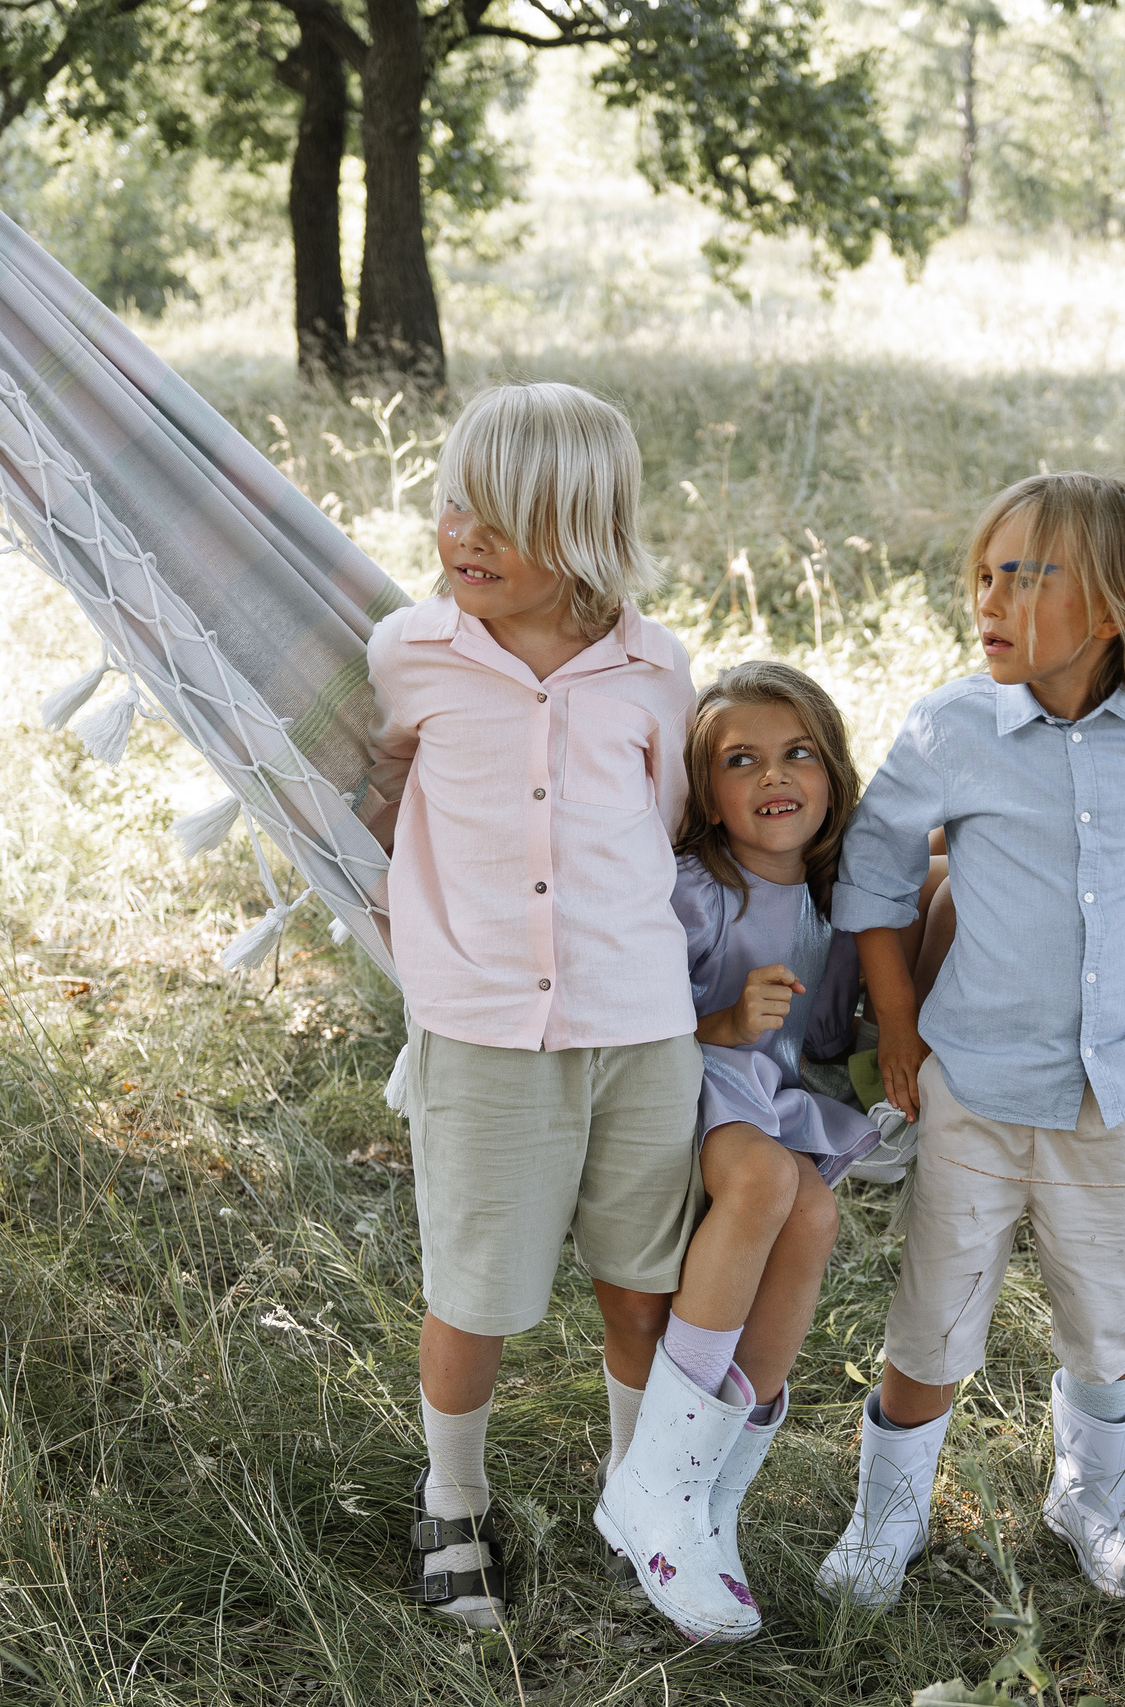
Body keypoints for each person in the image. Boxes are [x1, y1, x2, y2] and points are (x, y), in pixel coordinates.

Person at [817, 471, 1125, 1608]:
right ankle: (886, 1516)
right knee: (934, 1312)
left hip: (1120, 1091)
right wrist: (896, 1030)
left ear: (1113, 607)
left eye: (1025, 577)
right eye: (982, 573)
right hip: (976, 1085)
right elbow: (876, 882)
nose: (988, 596)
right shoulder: (951, 727)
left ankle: (1092, 1496)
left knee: (1106, 1313)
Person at [364, 382, 701, 1631]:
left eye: (498, 521)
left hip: (640, 1026)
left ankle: (634, 1494)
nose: (463, 536)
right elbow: (380, 788)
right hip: (484, 1027)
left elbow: (657, 828)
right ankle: (452, 1502)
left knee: (640, 1283)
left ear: (580, 535)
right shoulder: (413, 654)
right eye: (454, 506)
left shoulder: (652, 666)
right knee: (478, 1286)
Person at [843, 512, 1125, 1182]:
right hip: (1043, 871)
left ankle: (902, 1061)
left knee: (954, 892)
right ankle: (885, 1049)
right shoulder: (1037, 710)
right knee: (930, 869)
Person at [596, 661, 879, 1641]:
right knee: (762, 1178)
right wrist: (718, 1019)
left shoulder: (844, 901)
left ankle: (709, 1498)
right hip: (692, 1088)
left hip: (782, 1102)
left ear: (834, 776)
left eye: (799, 752)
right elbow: (615, 1003)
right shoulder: (691, 888)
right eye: (742, 759)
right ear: (704, 797)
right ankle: (654, 1484)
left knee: (814, 1210)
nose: (776, 775)